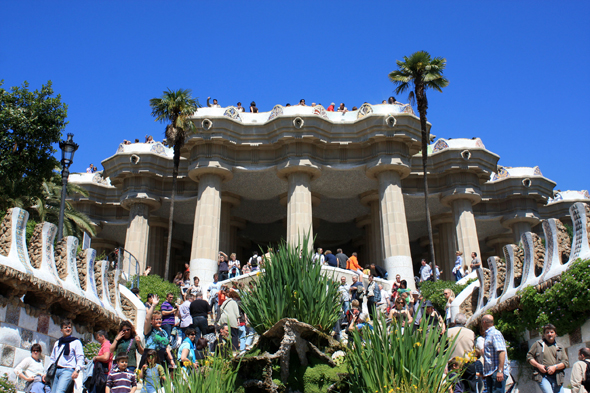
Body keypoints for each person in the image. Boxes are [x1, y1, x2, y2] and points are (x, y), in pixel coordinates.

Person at [526, 323, 569, 393]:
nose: (550, 334)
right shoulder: (538, 344)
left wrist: (555, 367)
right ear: (544, 335)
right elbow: (529, 357)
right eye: (547, 332)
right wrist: (538, 366)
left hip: (557, 377)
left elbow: (565, 363)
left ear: (555, 334)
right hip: (542, 376)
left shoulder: (560, 347)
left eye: (552, 332)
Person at [141, 295, 174, 370]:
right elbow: (147, 318)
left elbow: (166, 347)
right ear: (152, 321)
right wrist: (153, 305)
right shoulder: (150, 330)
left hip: (161, 356)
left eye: (160, 319)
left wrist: (171, 360)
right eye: (156, 319)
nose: (159, 321)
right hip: (150, 356)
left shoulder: (164, 332)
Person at [481, 315, 509, 393]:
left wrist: (500, 371)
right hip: (490, 372)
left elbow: (501, 352)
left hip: (496, 372)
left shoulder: (495, 334)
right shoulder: (489, 334)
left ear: (484, 322)